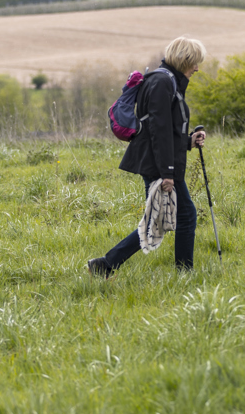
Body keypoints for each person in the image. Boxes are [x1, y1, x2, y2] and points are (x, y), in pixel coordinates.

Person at [88, 36, 208, 278]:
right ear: (185, 59)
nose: (197, 68)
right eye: (195, 62)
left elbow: (166, 131)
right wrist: (167, 174)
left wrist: (188, 141)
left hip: (157, 161)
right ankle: (184, 273)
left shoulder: (166, 81)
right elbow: (159, 132)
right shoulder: (163, 83)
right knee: (184, 216)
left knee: (157, 219)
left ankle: (105, 265)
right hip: (157, 164)